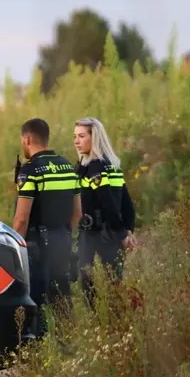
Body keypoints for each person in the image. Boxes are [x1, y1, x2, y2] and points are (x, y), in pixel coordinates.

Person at [12, 118, 82, 336]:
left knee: (36, 301)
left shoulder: (30, 171)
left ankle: (39, 353)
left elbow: (22, 219)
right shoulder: (68, 166)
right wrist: (63, 235)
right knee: (62, 299)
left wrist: (15, 249)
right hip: (62, 241)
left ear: (27, 139)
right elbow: (77, 214)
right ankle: (69, 348)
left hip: (36, 247)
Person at [72, 117, 137, 304]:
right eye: (75, 136)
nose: (76, 141)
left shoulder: (96, 169)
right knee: (112, 283)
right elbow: (127, 204)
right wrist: (128, 229)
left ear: (95, 138)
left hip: (101, 233)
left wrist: (123, 233)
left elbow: (109, 202)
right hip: (102, 232)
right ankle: (110, 326)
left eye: (82, 136)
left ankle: (106, 325)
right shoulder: (111, 165)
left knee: (91, 284)